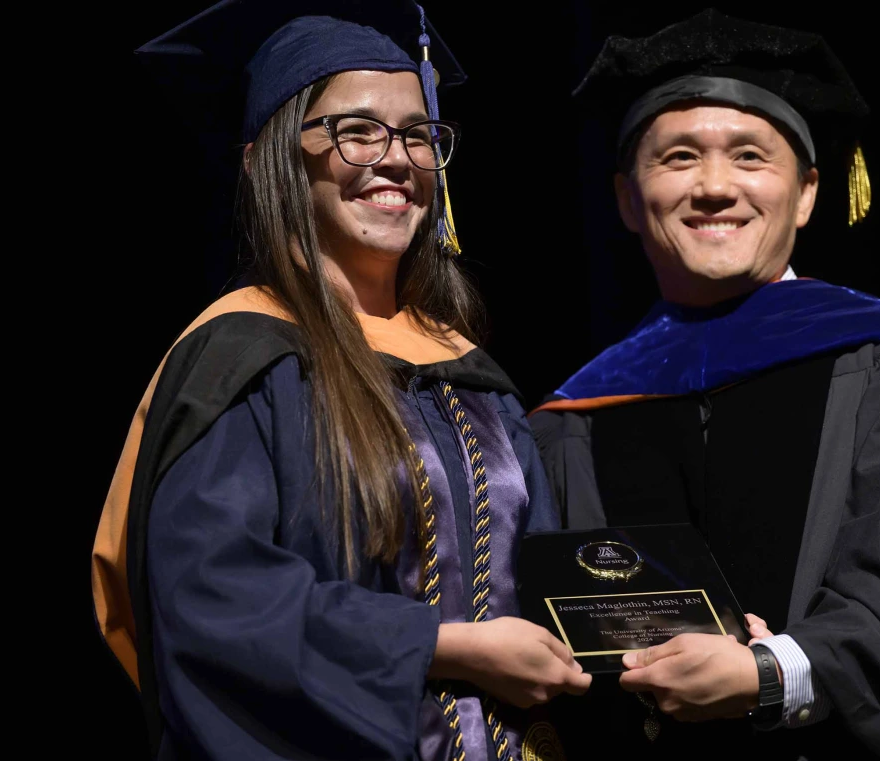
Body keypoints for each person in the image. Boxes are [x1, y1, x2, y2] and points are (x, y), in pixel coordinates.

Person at [90, 3, 593, 759]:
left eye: (418, 136)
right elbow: (214, 602)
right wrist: (442, 646)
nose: (396, 159)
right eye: (356, 131)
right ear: (270, 160)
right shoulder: (242, 360)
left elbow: (545, 578)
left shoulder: (470, 373)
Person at [531, 10, 880, 760]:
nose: (713, 186)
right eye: (676, 157)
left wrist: (777, 671)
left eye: (750, 156)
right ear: (627, 199)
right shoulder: (574, 418)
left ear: (805, 194)